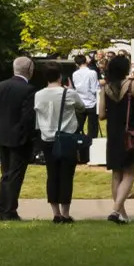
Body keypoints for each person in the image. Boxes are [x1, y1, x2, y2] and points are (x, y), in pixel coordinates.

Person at [97, 53, 134, 223]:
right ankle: (115, 211)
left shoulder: (105, 88)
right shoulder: (133, 85)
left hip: (114, 133)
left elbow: (101, 114)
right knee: (130, 172)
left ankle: (121, 214)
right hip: (131, 132)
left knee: (116, 174)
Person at [34, 61, 85, 223]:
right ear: (61, 76)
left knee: (52, 175)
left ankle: (55, 212)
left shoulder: (38, 94)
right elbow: (82, 107)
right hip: (66, 138)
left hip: (47, 138)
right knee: (66, 175)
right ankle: (65, 213)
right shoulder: (69, 93)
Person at [0, 56, 36, 221]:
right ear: (30, 70)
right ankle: (9, 211)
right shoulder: (28, 90)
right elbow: (28, 118)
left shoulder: (1, 86)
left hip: (3, 136)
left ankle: (3, 209)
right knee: (15, 175)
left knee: (6, 174)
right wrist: (30, 137)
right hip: (19, 138)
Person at [71, 53, 100, 144]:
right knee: (93, 129)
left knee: (79, 127)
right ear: (86, 61)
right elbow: (95, 89)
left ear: (76, 64)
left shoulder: (75, 74)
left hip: (80, 102)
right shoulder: (92, 73)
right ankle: (91, 146)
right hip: (92, 102)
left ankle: (80, 145)